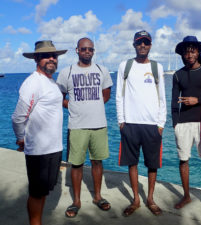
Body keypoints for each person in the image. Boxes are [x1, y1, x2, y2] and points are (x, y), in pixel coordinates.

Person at [56, 37, 113, 218]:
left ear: (93, 51)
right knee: (77, 164)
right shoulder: (67, 72)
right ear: (77, 50)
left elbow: (107, 94)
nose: (87, 52)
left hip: (99, 124)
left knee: (97, 161)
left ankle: (98, 196)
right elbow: (60, 97)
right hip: (77, 125)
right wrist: (72, 107)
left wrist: (93, 106)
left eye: (90, 49)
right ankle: (76, 201)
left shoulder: (102, 70)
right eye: (84, 49)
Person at [12, 40, 67, 225]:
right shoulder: (32, 83)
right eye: (46, 55)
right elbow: (18, 117)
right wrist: (21, 139)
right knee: (36, 194)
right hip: (39, 152)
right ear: (37, 58)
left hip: (53, 148)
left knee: (43, 192)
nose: (51, 59)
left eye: (54, 56)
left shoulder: (50, 81)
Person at [116, 30, 167, 216]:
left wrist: (161, 124)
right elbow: (119, 95)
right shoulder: (125, 66)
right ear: (134, 45)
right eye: (139, 42)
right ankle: (136, 199)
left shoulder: (157, 67)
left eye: (146, 42)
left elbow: (162, 97)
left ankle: (150, 199)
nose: (142, 45)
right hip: (130, 123)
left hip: (152, 125)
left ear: (151, 45)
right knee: (132, 163)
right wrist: (121, 121)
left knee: (152, 164)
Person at [171, 36, 201, 214]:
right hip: (183, 124)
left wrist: (197, 100)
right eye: (186, 51)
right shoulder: (178, 75)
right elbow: (173, 101)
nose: (189, 54)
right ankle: (186, 195)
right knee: (183, 160)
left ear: (198, 52)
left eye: (192, 50)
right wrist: (175, 124)